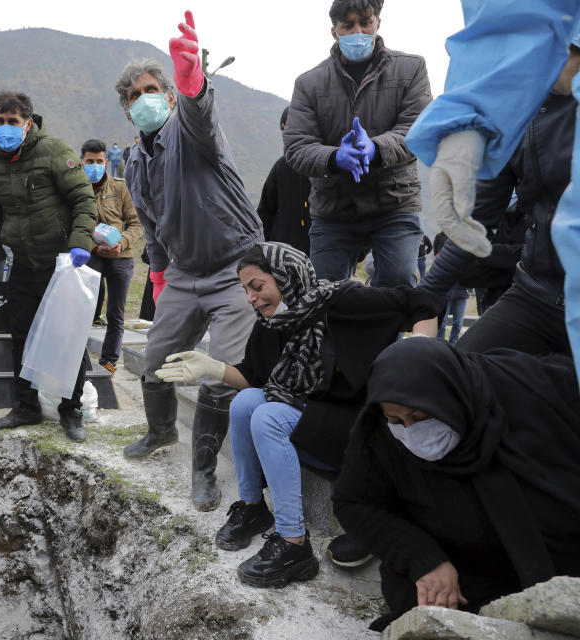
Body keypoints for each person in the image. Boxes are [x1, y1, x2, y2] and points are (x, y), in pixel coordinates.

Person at [156, 242, 439, 587]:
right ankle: (253, 507)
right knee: (246, 401)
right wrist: (213, 368)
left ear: (285, 277)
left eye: (257, 287)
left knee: (268, 416)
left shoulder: (342, 302)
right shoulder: (273, 322)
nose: (250, 298)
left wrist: (418, 355)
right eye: (246, 290)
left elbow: (421, 302)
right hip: (313, 417)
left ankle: (294, 545)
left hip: (358, 425)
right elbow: (255, 378)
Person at [116, 12, 262, 511]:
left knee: (219, 370)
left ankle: (203, 471)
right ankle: (160, 432)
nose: (143, 100)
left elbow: (202, 114)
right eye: (133, 96)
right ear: (126, 109)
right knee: (157, 360)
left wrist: (193, 80)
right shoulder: (134, 162)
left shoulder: (191, 132)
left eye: (151, 89)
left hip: (234, 268)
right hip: (181, 273)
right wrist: (157, 275)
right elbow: (153, 226)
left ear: (170, 95)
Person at [334, 338, 580, 632]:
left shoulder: (531, 389)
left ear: (451, 397)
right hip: (461, 573)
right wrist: (424, 558)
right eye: (396, 420)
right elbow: (352, 502)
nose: (412, 434)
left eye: (420, 416)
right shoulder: (378, 433)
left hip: (557, 561)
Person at [404, 3, 580, 385]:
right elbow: (475, 219)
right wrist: (426, 295)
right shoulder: (523, 109)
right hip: (538, 293)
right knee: (448, 387)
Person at [0, 92, 97, 442]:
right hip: (23, 264)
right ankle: (27, 406)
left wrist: (80, 242)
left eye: (13, 121)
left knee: (66, 335)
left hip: (61, 264)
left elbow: (83, 200)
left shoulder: (54, 151)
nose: (6, 127)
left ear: (28, 122)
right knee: (22, 334)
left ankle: (70, 410)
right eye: (0, 121)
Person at [283, 0, 431, 287]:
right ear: (334, 32)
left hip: (394, 202)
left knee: (399, 283)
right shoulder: (308, 83)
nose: (358, 31)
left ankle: (385, 332)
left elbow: (419, 129)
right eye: (348, 25)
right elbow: (296, 147)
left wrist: (375, 148)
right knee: (323, 294)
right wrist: (336, 157)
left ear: (378, 22)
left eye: (365, 22)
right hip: (334, 208)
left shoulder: (412, 68)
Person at [81, 138, 144, 375]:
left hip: (121, 256)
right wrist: (96, 249)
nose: (95, 165)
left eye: (99, 161)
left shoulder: (120, 187)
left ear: (106, 161)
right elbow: (71, 227)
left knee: (115, 314)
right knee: (85, 310)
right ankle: (81, 361)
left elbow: (136, 223)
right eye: (90, 161)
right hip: (92, 256)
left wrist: (122, 242)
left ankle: (109, 362)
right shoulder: (76, 188)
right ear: (82, 162)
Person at [257, 107, 312, 255]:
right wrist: (267, 248)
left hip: (320, 257)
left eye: (291, 135)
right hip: (281, 257)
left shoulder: (327, 165)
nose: (287, 141)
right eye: (284, 135)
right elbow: (264, 213)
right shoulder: (281, 167)